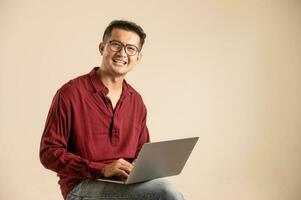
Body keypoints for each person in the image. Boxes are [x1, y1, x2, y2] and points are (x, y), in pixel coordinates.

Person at [39, 20, 184, 200]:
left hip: (124, 185)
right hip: (82, 186)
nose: (122, 53)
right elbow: (48, 152)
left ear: (138, 57)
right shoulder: (70, 93)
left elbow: (141, 150)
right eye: (116, 44)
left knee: (160, 186)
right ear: (102, 48)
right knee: (165, 192)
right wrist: (101, 169)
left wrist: (140, 166)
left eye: (131, 48)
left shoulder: (136, 101)